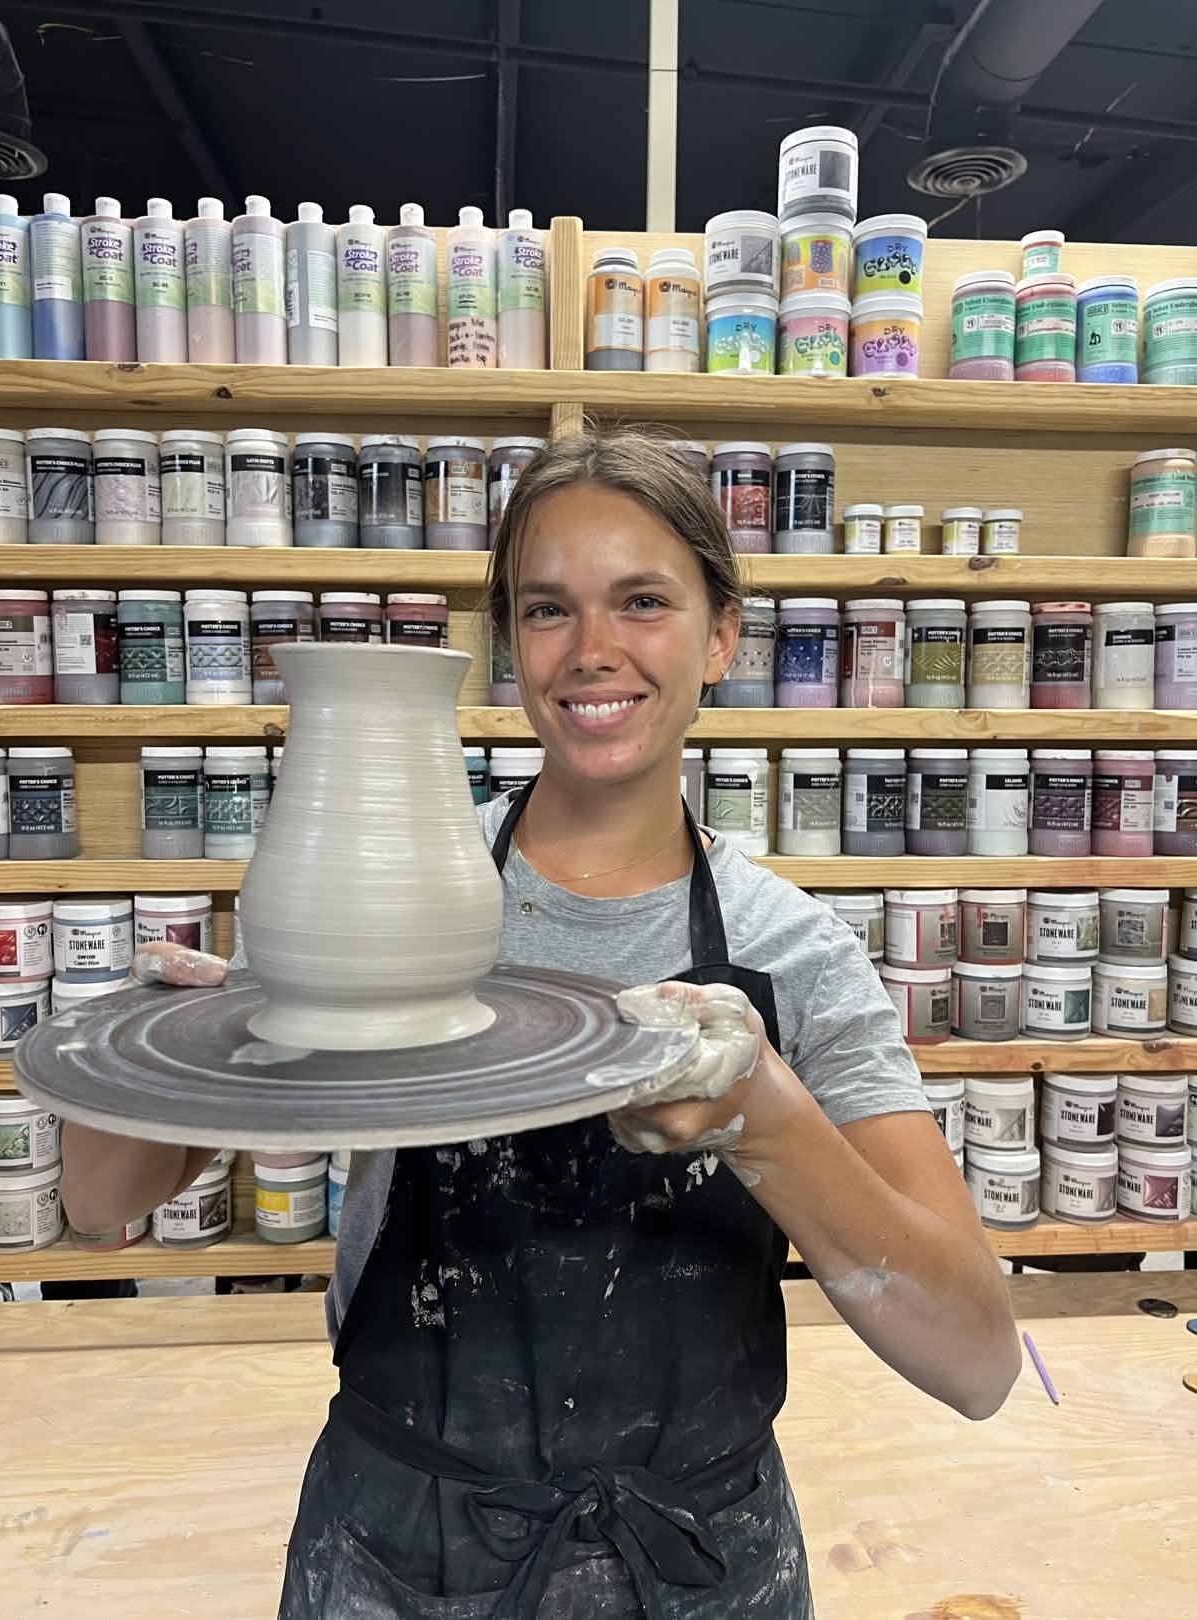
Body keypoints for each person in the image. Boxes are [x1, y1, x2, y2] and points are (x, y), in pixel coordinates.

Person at [60, 430, 1021, 1619]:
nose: (594, 651)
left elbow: (978, 1362)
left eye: (644, 602)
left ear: (723, 635)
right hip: (403, 1547)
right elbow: (100, 1205)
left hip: (702, 1560)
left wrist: (766, 1117)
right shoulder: (387, 892)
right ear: (507, 644)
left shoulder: (793, 951)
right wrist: (150, 1045)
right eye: (547, 610)